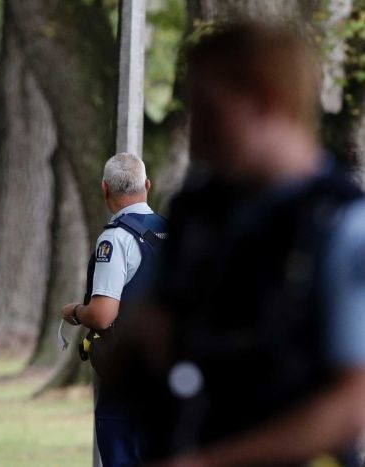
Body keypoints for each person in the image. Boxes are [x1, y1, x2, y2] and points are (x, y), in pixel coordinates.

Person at [133, 22, 365, 465]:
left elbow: (352, 405)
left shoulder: (342, 225)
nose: (195, 134)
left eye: (209, 113)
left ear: (266, 103)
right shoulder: (197, 211)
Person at [60, 153, 167, 467]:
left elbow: (104, 314)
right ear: (147, 185)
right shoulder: (173, 231)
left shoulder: (116, 239)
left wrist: (76, 312)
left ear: (104, 188)